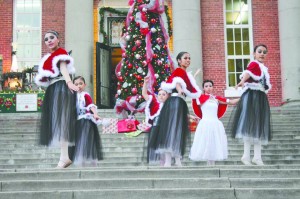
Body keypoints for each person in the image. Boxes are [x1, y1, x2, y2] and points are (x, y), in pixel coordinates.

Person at [149, 51, 202, 167]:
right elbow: (177, 81)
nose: (188, 60)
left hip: (179, 103)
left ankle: (177, 159)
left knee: (177, 130)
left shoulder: (185, 73)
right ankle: (169, 160)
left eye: (189, 58)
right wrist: (179, 90)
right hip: (175, 102)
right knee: (172, 130)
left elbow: (186, 82)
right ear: (179, 61)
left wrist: (194, 76)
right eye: (185, 58)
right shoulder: (178, 71)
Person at [35, 30, 78, 168]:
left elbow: (63, 67)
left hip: (60, 87)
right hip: (54, 88)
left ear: (58, 39)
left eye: (52, 37)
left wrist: (69, 82)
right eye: (46, 39)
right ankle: (64, 156)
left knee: (62, 122)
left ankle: (64, 157)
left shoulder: (60, 53)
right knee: (60, 122)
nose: (49, 40)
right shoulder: (49, 57)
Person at [230, 44, 272, 166]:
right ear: (254, 54)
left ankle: (257, 157)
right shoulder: (254, 64)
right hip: (252, 96)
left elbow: (263, 83)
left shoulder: (263, 68)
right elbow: (247, 73)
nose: (262, 53)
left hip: (260, 96)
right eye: (259, 51)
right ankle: (246, 156)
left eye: (264, 52)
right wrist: (241, 82)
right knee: (250, 125)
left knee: (258, 126)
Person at [189, 80, 239, 166]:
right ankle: (209, 165)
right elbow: (192, 91)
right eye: (206, 86)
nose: (208, 88)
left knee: (214, 144)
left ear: (213, 87)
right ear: (203, 88)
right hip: (205, 123)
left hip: (215, 124)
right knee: (206, 143)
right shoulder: (200, 97)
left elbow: (231, 102)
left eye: (210, 86)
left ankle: (213, 165)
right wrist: (193, 79)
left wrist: (245, 95)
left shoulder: (217, 99)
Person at [69, 76, 103, 166]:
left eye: (80, 84)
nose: (79, 86)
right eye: (76, 84)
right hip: (76, 121)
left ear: (84, 85)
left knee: (88, 140)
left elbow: (91, 105)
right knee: (78, 141)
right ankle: (81, 162)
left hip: (86, 120)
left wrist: (95, 113)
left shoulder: (85, 95)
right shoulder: (72, 96)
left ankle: (93, 161)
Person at [142, 76, 169, 165]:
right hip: (156, 127)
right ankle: (161, 162)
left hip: (165, 128)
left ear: (167, 96)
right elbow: (144, 94)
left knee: (165, 146)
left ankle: (166, 162)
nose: (161, 96)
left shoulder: (169, 105)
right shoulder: (154, 103)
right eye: (160, 94)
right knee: (157, 146)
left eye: (164, 94)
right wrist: (145, 83)